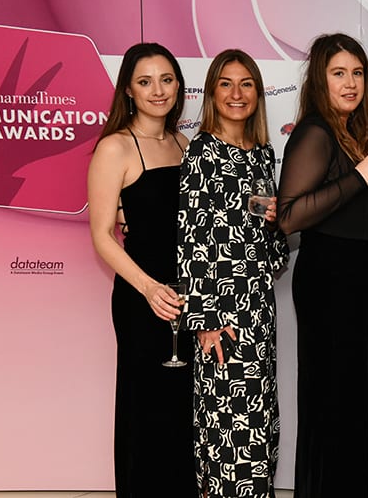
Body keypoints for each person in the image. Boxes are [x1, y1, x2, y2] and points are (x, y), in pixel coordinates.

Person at [276, 33, 368, 498]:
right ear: (319, 80)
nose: (350, 83)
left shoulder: (352, 132)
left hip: (357, 283)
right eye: (338, 73)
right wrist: (361, 176)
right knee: (333, 401)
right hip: (331, 285)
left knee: (350, 401)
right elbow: (289, 216)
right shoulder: (316, 132)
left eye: (358, 73)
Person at [177, 49, 289, 498]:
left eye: (246, 84)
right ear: (211, 92)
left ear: (258, 93)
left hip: (258, 307)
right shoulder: (202, 152)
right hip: (221, 313)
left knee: (258, 418)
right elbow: (192, 241)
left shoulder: (262, 154)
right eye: (226, 83)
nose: (237, 93)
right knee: (226, 422)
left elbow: (270, 249)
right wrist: (204, 321)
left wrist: (276, 223)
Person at [87, 42, 196, 497]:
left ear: (179, 86)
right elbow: (101, 235)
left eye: (167, 79)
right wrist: (150, 290)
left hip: (186, 299)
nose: (158, 90)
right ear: (129, 90)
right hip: (142, 298)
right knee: (145, 407)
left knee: (181, 411)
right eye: (145, 81)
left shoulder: (185, 145)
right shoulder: (115, 148)